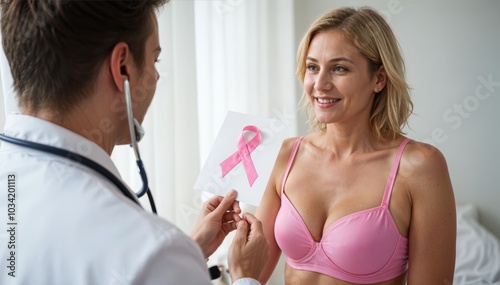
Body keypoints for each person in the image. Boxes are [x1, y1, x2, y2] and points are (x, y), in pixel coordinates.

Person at [0, 1, 268, 284]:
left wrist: (188, 253)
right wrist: (245, 277)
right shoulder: (152, 254)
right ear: (123, 67)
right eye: (155, 59)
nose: (156, 75)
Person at [255, 6, 456, 285]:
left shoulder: (419, 166)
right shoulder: (287, 154)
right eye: (313, 67)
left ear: (379, 79)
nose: (320, 84)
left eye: (339, 68)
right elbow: (250, 273)